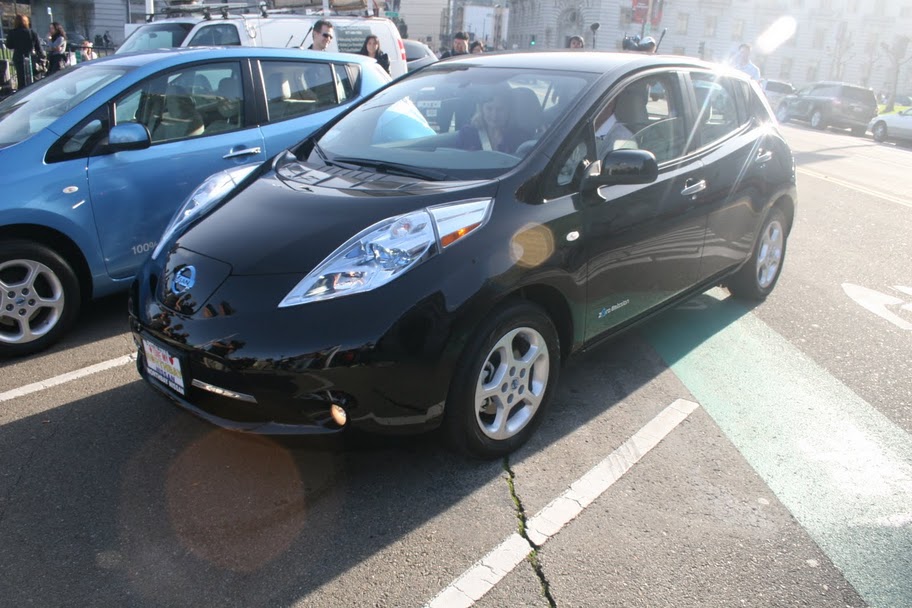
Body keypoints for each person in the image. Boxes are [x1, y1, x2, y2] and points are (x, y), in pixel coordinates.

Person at [457, 85, 533, 154]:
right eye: (489, 108)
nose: (494, 115)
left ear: (509, 111)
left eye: (500, 109)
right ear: (481, 109)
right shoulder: (468, 133)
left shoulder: (520, 138)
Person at [3, 15, 44, 90]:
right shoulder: (32, 32)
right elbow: (39, 47)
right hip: (31, 56)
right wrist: (41, 57)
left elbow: (9, 45)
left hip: (18, 57)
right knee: (33, 76)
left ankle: (22, 92)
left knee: (21, 77)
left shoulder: (12, 33)